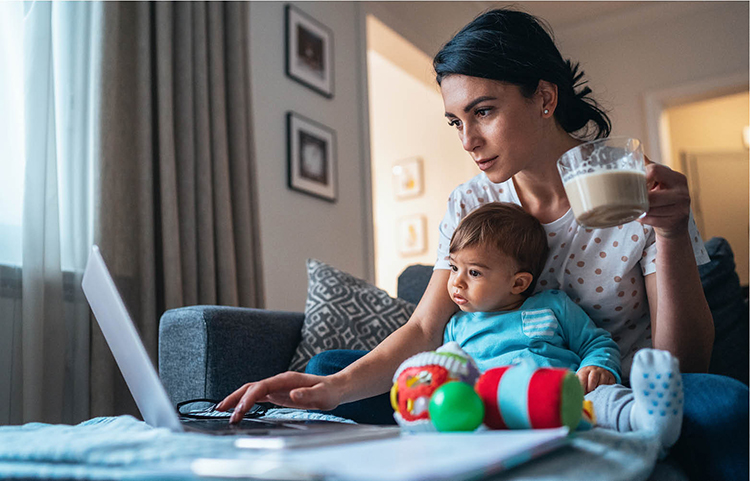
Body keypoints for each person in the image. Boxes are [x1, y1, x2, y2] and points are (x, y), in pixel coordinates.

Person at [217, 8, 747, 480]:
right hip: (486, 392)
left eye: (484, 111)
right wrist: (334, 389)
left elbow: (685, 363)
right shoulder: (470, 202)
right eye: (456, 120)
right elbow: (426, 328)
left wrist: (671, 232)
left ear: (543, 98)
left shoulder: (637, 187)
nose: (467, 139)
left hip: (610, 396)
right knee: (328, 368)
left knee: (724, 403)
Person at [440, 201, 682, 453]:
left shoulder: (552, 306)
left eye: (474, 273)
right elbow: (450, 372)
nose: (457, 281)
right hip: (501, 409)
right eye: (454, 267)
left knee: (602, 399)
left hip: (568, 397)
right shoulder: (457, 327)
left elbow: (596, 342)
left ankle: (647, 420)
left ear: (518, 283)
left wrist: (597, 365)